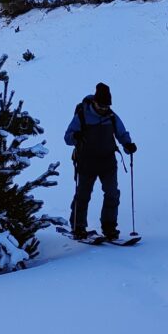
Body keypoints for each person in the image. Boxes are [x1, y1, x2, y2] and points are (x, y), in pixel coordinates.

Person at [64, 82, 137, 239]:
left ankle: (109, 227)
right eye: (102, 106)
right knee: (83, 194)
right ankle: (78, 226)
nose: (104, 109)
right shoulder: (82, 115)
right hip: (86, 161)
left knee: (112, 194)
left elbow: (122, 133)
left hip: (107, 161)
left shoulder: (111, 116)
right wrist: (75, 137)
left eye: (107, 106)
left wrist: (128, 145)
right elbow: (67, 138)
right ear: (95, 102)